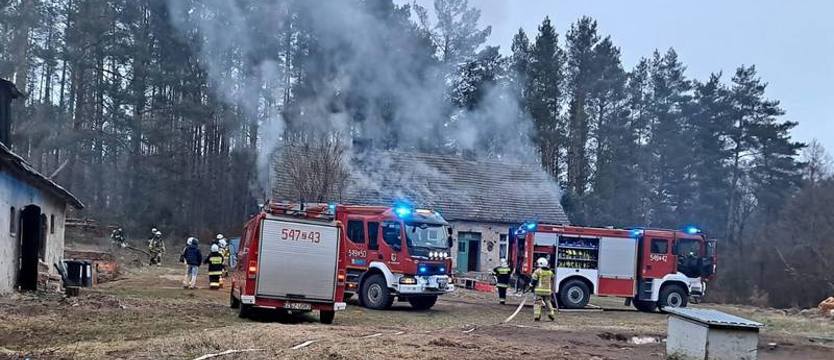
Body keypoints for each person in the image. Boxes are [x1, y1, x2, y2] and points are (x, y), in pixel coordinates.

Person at [530, 257, 556, 321]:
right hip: (547, 291)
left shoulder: (537, 271)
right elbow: (553, 278)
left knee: (537, 303)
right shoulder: (550, 272)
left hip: (539, 291)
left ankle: (537, 315)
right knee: (548, 302)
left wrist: (531, 285)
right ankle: (551, 314)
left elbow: (534, 280)